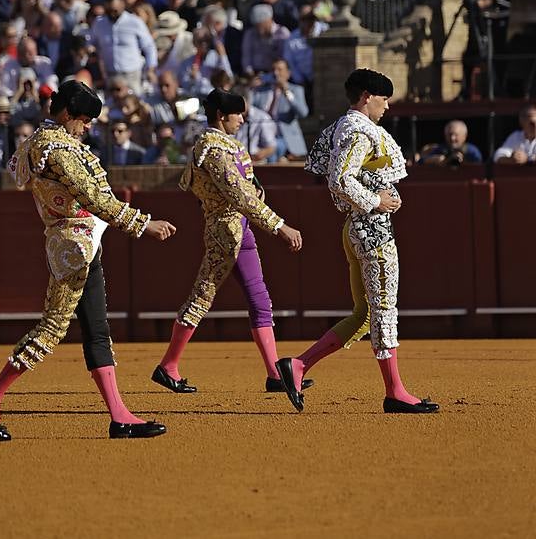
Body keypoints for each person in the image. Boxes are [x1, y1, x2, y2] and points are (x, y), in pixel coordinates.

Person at [0, 80, 176, 442]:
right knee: (51, 329)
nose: (89, 126)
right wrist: (143, 224)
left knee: (97, 330)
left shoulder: (38, 143)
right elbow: (92, 196)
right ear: (65, 114)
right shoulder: (57, 149)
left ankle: (119, 416)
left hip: (81, 242)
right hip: (72, 246)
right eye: (84, 119)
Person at [276, 68, 439, 415]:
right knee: (383, 311)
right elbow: (339, 179)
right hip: (372, 230)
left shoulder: (341, 127)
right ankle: (395, 391)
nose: (387, 107)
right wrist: (376, 201)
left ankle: (299, 365)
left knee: (364, 315)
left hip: (357, 229)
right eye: (383, 99)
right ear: (367, 97)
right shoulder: (360, 131)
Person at [151, 87, 305, 395]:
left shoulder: (223, 146)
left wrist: (254, 195)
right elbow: (238, 194)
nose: (243, 119)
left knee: (260, 299)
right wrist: (280, 226)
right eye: (239, 114)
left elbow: (243, 190)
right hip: (224, 231)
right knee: (202, 297)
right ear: (222, 116)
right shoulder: (212, 149)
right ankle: (168, 366)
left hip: (240, 228)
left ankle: (275, 374)